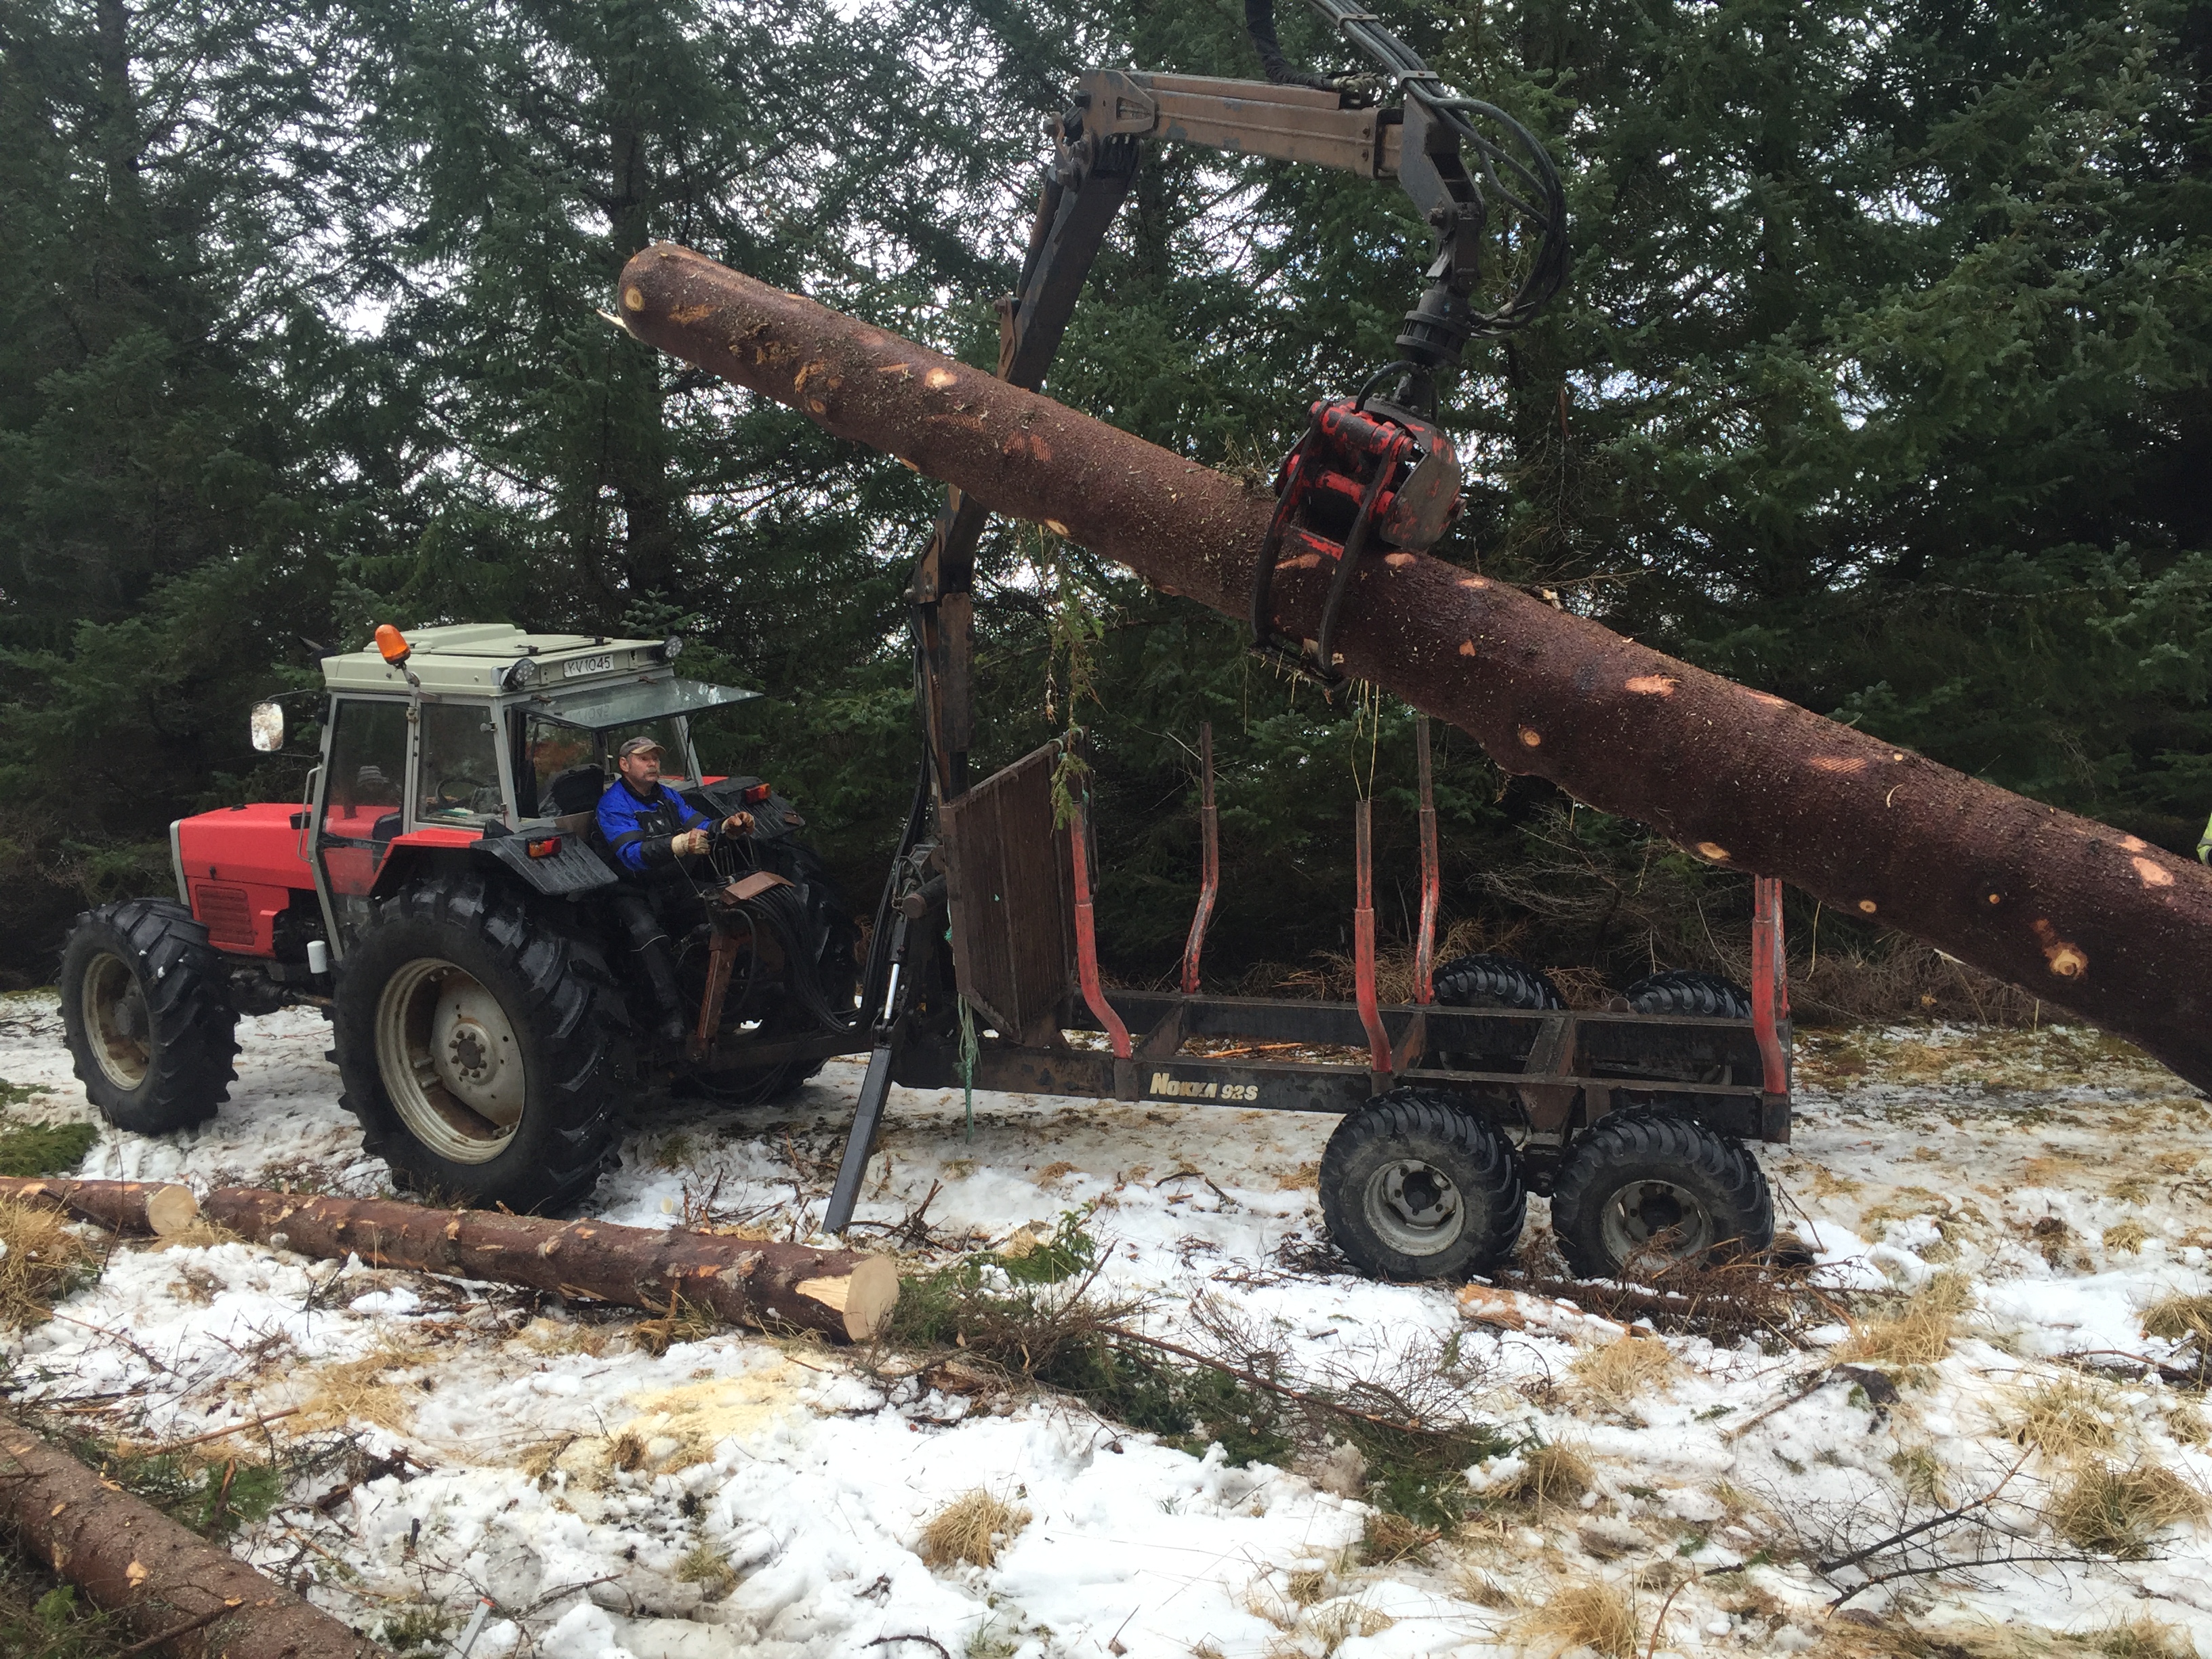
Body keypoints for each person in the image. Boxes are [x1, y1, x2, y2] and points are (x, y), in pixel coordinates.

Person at [596, 735, 756, 1041]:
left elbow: (699, 824)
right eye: (644, 758)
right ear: (624, 764)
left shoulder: (667, 796)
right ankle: (671, 1020)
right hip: (632, 892)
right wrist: (680, 844)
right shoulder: (613, 805)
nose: (652, 763)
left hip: (673, 884)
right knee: (649, 936)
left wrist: (727, 826)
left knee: (729, 906)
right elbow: (631, 855)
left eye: (655, 758)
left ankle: (732, 998)